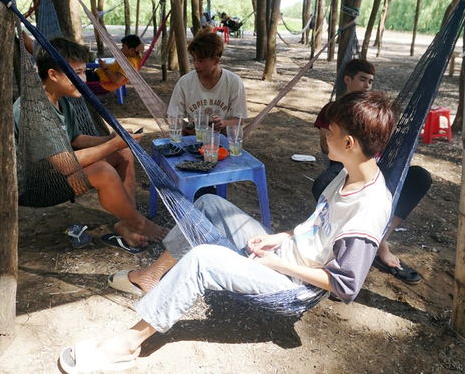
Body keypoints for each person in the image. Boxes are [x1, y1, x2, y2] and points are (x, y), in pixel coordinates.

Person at [58, 91, 396, 373]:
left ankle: (127, 344)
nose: (325, 136)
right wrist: (280, 238)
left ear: (349, 142)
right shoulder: (351, 171)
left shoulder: (369, 207)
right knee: (208, 205)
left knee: (203, 260)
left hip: (295, 285)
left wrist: (277, 264)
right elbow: (321, 227)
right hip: (284, 254)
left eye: (331, 132)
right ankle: (151, 276)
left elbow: (346, 285)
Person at [13, 37, 168, 249]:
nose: (84, 80)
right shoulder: (33, 109)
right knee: (102, 170)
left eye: (84, 71)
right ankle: (138, 223)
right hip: (36, 186)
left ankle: (127, 225)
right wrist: (112, 145)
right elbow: (65, 164)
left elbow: (76, 139)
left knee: (124, 154)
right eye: (76, 73)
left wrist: (113, 139)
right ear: (53, 74)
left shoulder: (63, 100)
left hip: (57, 174)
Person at [312, 59, 431, 285]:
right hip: (344, 164)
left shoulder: (375, 113)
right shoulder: (332, 110)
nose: (367, 85)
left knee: (420, 177)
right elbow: (327, 147)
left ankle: (379, 240)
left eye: (370, 81)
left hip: (376, 166)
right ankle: (338, 242)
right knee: (322, 183)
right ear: (347, 80)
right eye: (362, 79)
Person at [167, 28, 248, 134]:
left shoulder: (233, 82)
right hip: (194, 137)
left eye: (201, 61)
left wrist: (223, 123)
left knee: (234, 132)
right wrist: (187, 127)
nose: (196, 65)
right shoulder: (185, 83)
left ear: (216, 61)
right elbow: (173, 115)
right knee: (168, 135)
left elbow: (239, 120)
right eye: (194, 59)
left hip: (221, 137)